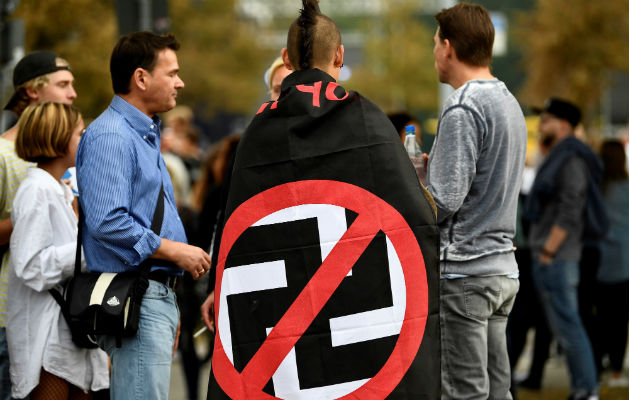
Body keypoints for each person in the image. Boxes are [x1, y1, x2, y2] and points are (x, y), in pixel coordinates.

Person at [206, 1, 439, 398]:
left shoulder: (259, 133)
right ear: (340, 55)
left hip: (280, 332)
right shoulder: (367, 121)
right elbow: (414, 217)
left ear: (286, 58)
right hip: (362, 318)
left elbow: (236, 227)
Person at [75, 31, 211, 400]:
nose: (180, 83)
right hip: (137, 295)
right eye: (172, 73)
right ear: (141, 78)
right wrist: (174, 251)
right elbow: (107, 221)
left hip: (150, 297)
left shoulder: (140, 134)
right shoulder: (112, 137)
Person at [425, 3, 527, 399]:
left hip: (465, 274)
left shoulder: (463, 105)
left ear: (448, 47)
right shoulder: (507, 100)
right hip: (502, 272)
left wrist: (416, 185)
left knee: (464, 394)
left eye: (435, 44)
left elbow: (445, 200)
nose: (434, 52)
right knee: (498, 391)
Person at [7, 102, 109, 399]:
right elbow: (31, 266)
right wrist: (91, 251)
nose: (85, 139)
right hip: (46, 333)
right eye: (80, 133)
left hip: (68, 329)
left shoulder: (60, 188)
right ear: (58, 138)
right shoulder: (37, 190)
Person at [0, 50, 77, 400]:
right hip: (19, 316)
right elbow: (30, 260)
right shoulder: (12, 164)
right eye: (63, 84)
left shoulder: (59, 178)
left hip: (62, 315)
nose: (72, 93)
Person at [524, 98, 600, 400]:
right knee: (565, 327)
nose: (541, 123)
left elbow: (571, 209)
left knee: (569, 328)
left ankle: (587, 390)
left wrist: (548, 252)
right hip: (554, 254)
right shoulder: (559, 155)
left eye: (546, 119)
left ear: (564, 125)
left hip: (557, 256)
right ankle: (583, 388)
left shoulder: (571, 159)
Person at [594, 140, 628, 386]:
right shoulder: (627, 187)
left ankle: (597, 364)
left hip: (599, 260)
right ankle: (617, 369)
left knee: (599, 317)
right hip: (624, 261)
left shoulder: (598, 189)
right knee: (620, 319)